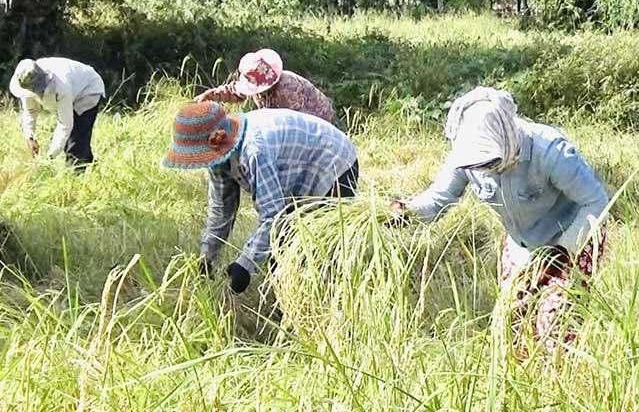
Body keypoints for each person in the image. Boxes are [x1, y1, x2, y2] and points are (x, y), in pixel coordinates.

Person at [390, 87, 609, 352]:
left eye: (490, 162)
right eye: (478, 166)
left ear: (505, 140)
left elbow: (595, 202)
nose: (484, 171)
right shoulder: (466, 158)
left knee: (555, 323)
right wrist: (405, 213)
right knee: (514, 323)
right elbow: (438, 200)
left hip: (574, 238)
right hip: (523, 244)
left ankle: (557, 384)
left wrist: (562, 253)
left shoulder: (550, 151)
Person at [163, 101, 359, 293]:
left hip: (332, 160)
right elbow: (221, 210)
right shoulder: (218, 157)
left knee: (318, 252)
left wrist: (244, 265)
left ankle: (331, 305)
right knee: (282, 249)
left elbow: (273, 215)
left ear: (215, 143)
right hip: (292, 169)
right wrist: (207, 257)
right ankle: (289, 309)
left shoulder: (255, 151)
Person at [9, 57, 105, 171]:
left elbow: (65, 125)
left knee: (75, 143)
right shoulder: (26, 82)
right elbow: (30, 111)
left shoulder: (61, 85)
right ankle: (91, 166)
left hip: (88, 91)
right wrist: (30, 137)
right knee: (70, 140)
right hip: (74, 89)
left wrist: (49, 157)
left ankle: (75, 178)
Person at [193, 49, 336, 123]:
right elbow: (234, 91)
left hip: (318, 120)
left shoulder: (287, 88)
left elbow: (291, 122)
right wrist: (210, 95)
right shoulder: (254, 82)